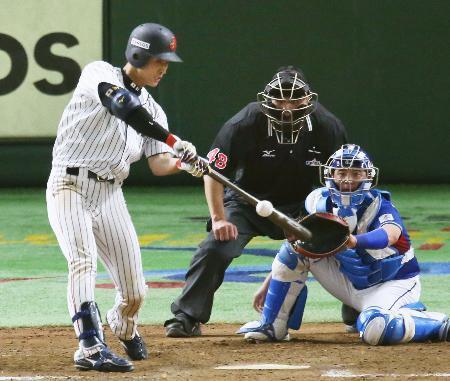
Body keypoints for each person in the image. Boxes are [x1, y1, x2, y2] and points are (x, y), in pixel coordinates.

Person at [46, 23, 204, 372]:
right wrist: (172, 137)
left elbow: (159, 163)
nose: (164, 67)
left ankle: (123, 324)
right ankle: (89, 347)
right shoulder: (99, 73)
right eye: (159, 60)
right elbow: (122, 105)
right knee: (82, 261)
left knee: (135, 291)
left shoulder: (154, 109)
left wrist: (184, 163)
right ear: (138, 55)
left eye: (166, 61)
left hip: (110, 195)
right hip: (69, 186)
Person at [164, 66, 348, 337]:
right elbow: (212, 173)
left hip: (302, 206)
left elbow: (341, 181)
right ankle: (187, 316)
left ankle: (357, 312)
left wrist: (330, 218)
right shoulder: (244, 123)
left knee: (345, 238)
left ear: (308, 99)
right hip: (247, 202)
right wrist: (218, 218)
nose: (286, 107)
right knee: (216, 247)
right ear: (268, 98)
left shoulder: (328, 127)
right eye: (280, 99)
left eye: (295, 99)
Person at [239, 144, 450, 345]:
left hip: (392, 283)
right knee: (296, 248)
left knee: (376, 329)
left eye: (355, 174)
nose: (347, 180)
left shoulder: (379, 205)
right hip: (349, 281)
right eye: (341, 173)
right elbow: (303, 244)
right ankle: (272, 324)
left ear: (368, 176)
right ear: (330, 175)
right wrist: (269, 284)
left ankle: (437, 323)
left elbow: (391, 234)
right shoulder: (317, 201)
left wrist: (354, 241)